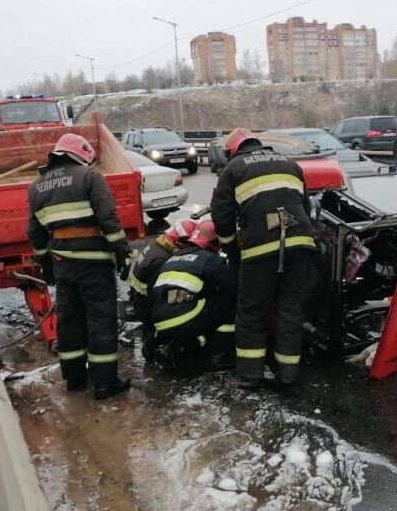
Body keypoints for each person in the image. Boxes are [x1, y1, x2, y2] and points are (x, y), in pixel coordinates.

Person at [27, 133, 131, 399]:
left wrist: (46, 264)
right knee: (100, 318)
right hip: (93, 262)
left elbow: (36, 233)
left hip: (62, 263)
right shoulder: (89, 177)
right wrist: (122, 252)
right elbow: (108, 218)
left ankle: (74, 378)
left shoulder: (36, 187)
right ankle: (105, 382)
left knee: (69, 320)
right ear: (81, 154)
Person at [211, 128, 317, 388]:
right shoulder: (289, 163)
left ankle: (249, 376)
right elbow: (305, 206)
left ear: (233, 150)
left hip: (261, 250)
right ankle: (288, 375)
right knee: (290, 310)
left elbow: (221, 215)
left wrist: (231, 249)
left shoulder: (234, 168)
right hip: (301, 244)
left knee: (251, 311)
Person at [148, 220, 237, 371]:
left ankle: (179, 344)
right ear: (213, 243)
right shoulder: (211, 259)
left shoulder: (172, 259)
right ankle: (219, 353)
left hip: (160, 323)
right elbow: (234, 287)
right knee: (229, 300)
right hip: (186, 321)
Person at [126, 218, 196, 359]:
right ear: (178, 242)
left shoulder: (159, 244)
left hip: (140, 298)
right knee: (159, 329)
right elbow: (159, 296)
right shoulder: (161, 261)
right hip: (147, 304)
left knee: (150, 328)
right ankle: (152, 352)